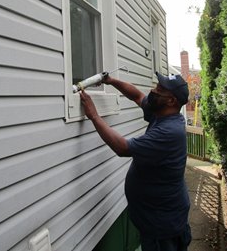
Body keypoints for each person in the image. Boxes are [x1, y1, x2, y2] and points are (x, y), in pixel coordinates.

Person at [79, 71, 192, 251]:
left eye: (159, 89)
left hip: (163, 226)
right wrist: (111, 81)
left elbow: (123, 148)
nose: (153, 91)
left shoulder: (170, 131)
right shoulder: (161, 113)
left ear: (171, 101)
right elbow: (137, 96)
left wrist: (94, 115)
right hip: (153, 218)